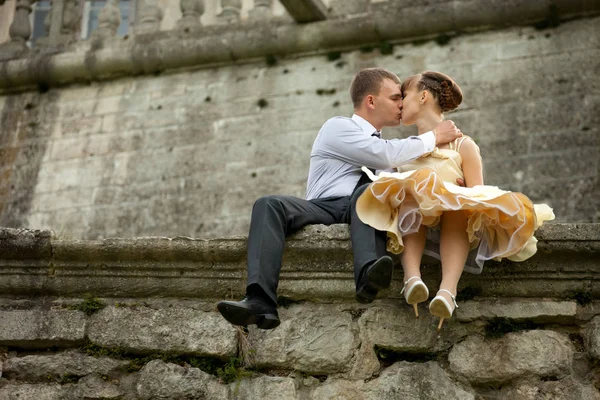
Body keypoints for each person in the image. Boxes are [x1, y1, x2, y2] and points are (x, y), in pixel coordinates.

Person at [217, 68, 463, 330]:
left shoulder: (392, 150)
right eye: (394, 98)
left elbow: (410, 179)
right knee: (268, 204)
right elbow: (383, 155)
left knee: (371, 189)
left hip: (363, 205)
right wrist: (434, 137)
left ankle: (369, 274)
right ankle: (259, 301)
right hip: (323, 206)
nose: (401, 103)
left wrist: (452, 182)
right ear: (371, 101)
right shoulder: (338, 127)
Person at [356, 71, 555, 331]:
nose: (400, 103)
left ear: (424, 96)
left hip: (455, 223)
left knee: (460, 203)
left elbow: (479, 196)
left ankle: (447, 291)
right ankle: (412, 277)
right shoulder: (403, 149)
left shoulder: (463, 145)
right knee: (410, 193)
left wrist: (456, 192)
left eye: (404, 95)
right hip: (414, 216)